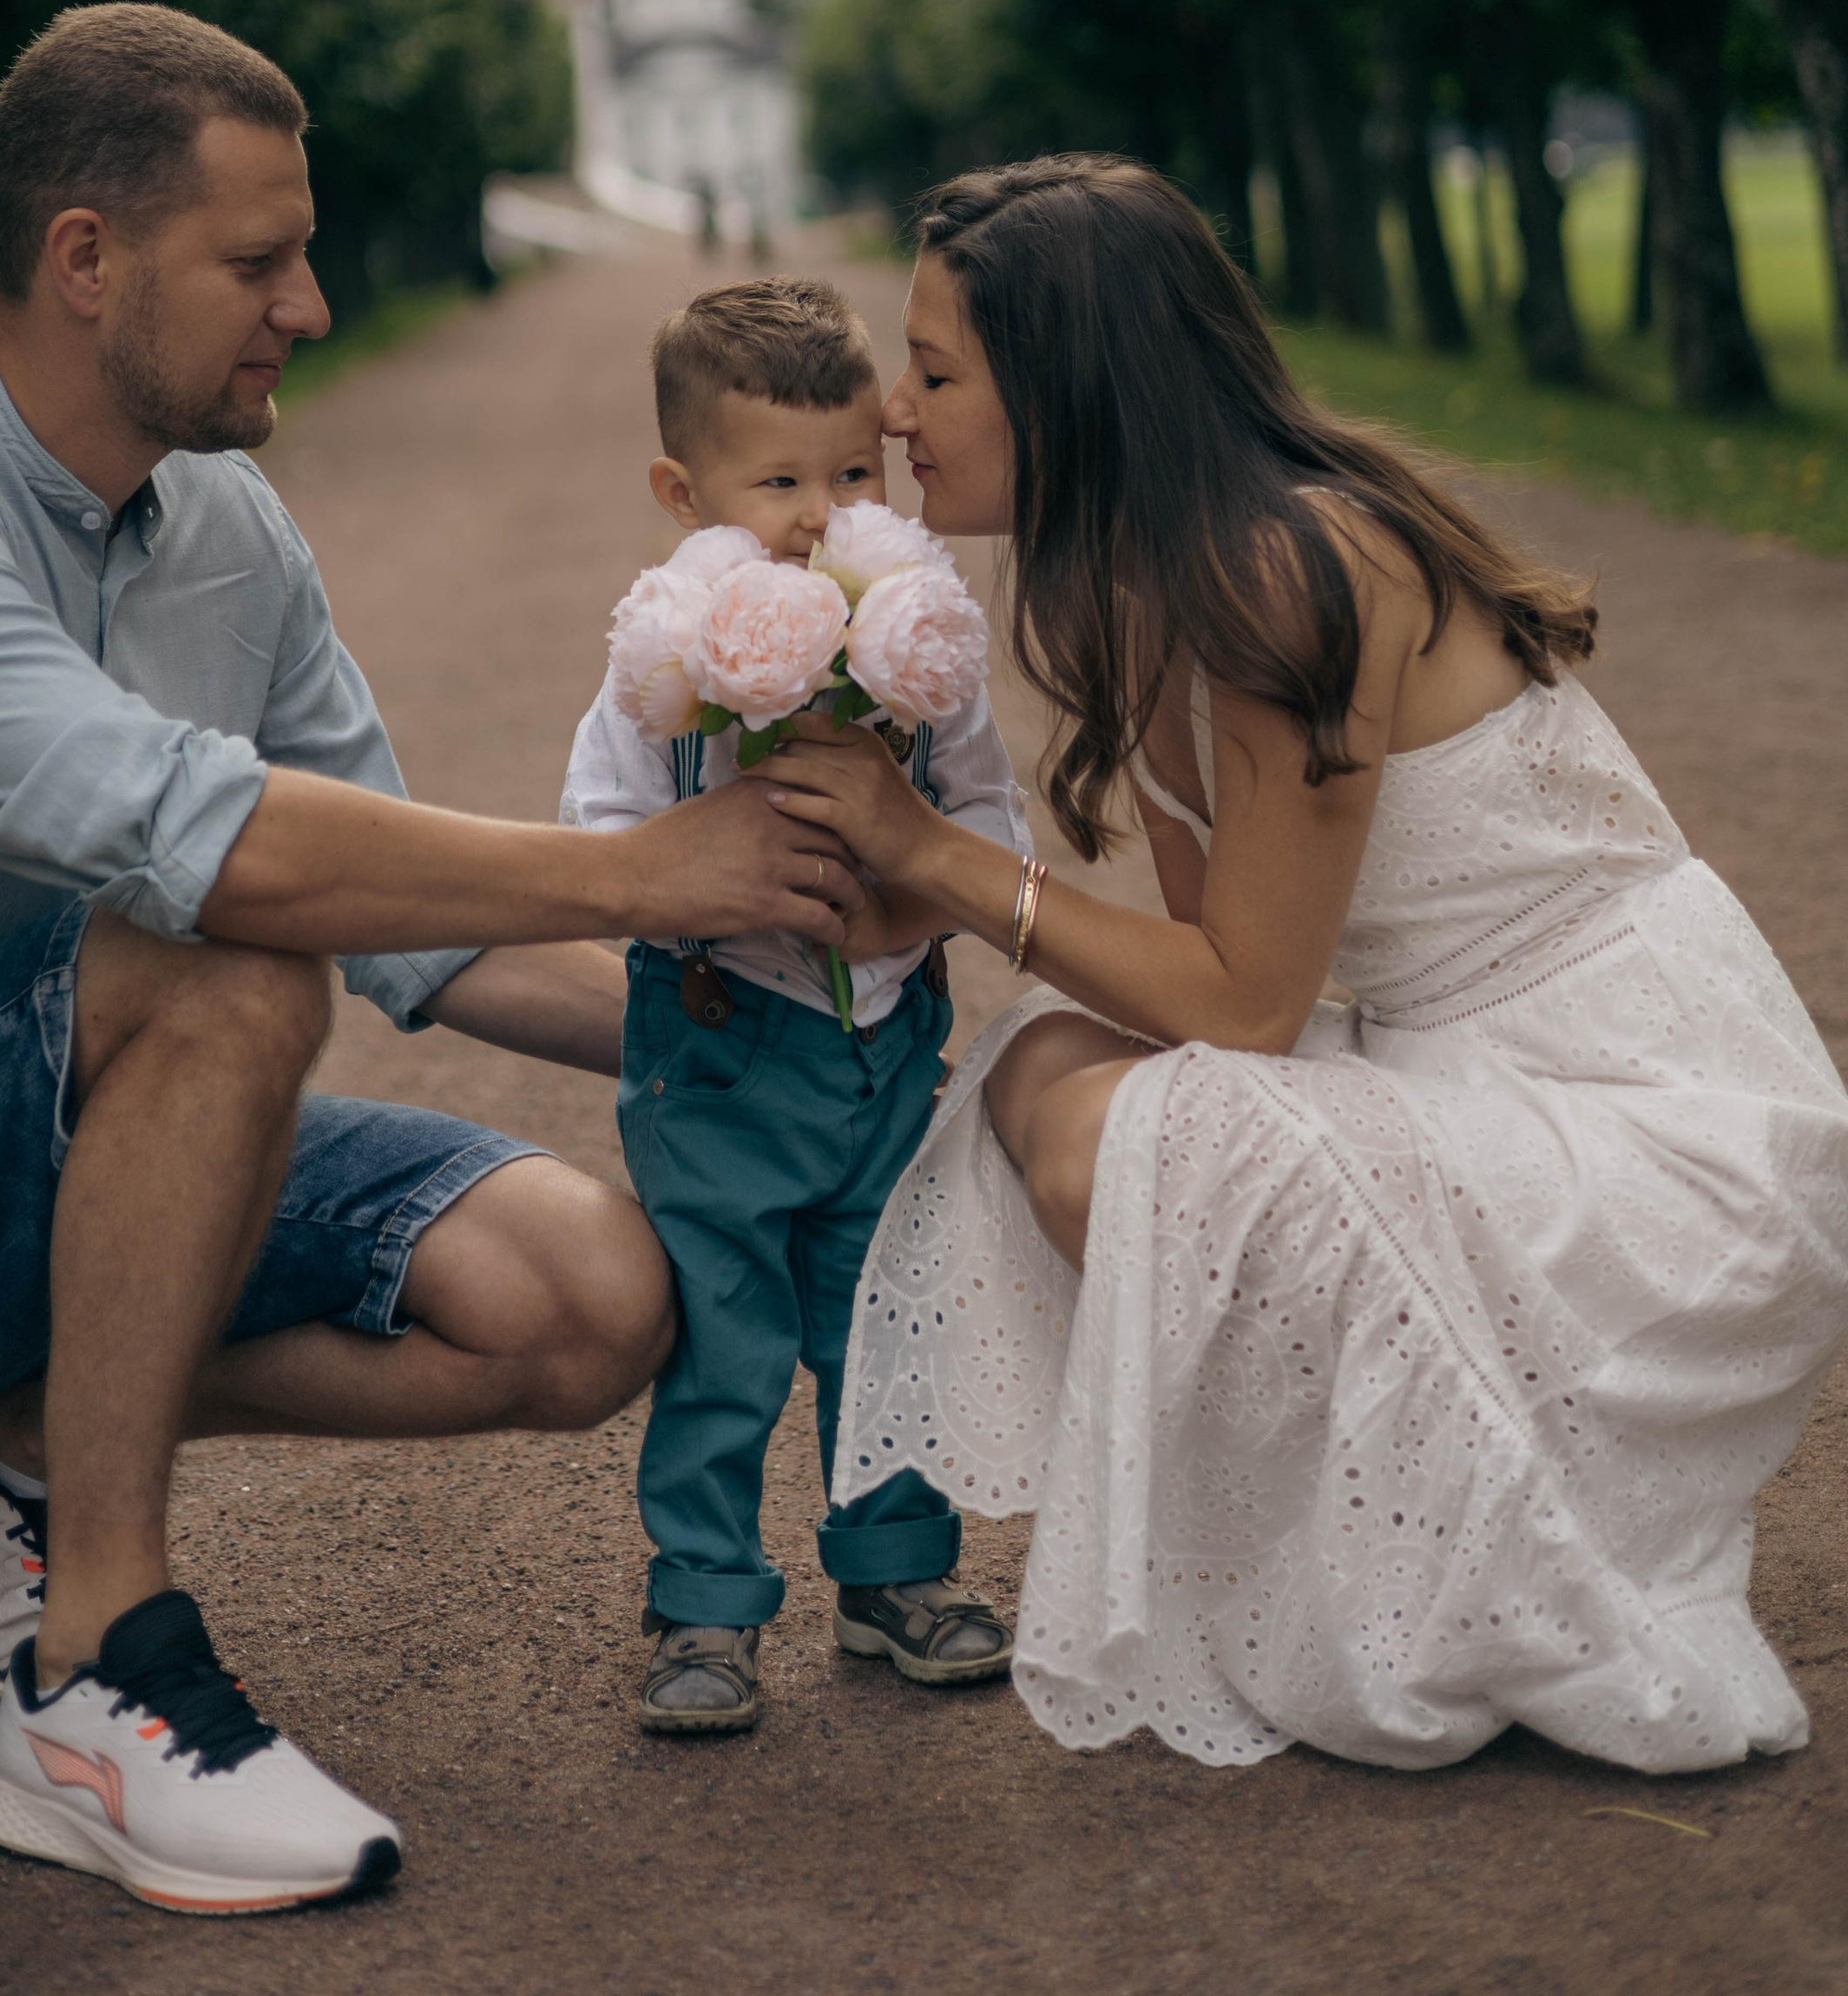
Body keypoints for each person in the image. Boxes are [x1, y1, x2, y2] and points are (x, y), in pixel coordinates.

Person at [0, 4, 866, 1918]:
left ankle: (16, 1422)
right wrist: (644, 876)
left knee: (586, 1299)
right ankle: (90, 1676)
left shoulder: (224, 524)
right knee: (219, 959)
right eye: (260, 259)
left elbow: (427, 935)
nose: (307, 298)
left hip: (72, 1143)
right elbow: (210, 847)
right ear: (84, 258)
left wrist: (827, 1055)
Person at [764, 154, 1848, 1776]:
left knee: (1093, 1119)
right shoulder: (1141, 578)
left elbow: (1250, 1007)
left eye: (933, 371)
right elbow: (1217, 977)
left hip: (1650, 1123)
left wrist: (939, 861)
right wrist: (924, 896)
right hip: (1454, 1058)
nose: (897, 413)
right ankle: (1343, 1542)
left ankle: (1420, 1565)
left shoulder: (1291, 563)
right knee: (1046, 1068)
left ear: (1072, 384)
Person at [560, 278, 1023, 1732]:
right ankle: (703, 1602)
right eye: (778, 482)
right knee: (726, 1332)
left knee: (886, 1318)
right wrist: (706, 879)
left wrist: (899, 897)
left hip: (886, 1039)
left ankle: (893, 1577)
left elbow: (993, 829)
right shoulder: (662, 675)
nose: (820, 515)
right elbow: (595, 851)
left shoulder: (921, 656)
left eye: (852, 475)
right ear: (681, 493)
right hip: (719, 1049)